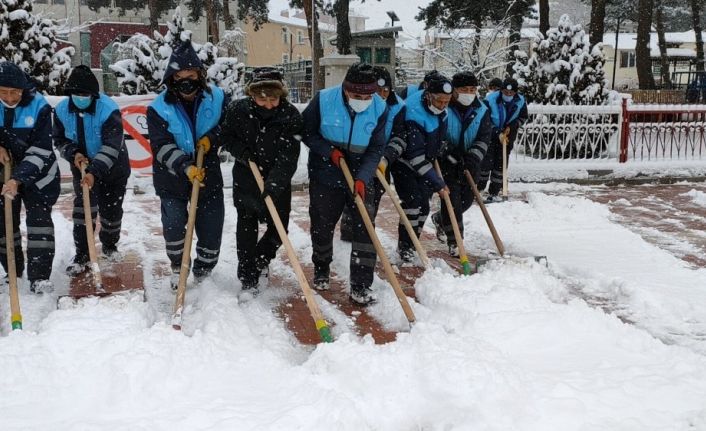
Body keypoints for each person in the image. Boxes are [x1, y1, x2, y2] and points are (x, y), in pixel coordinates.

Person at [302, 63, 388, 305]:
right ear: (345, 89)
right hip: (326, 170)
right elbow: (306, 132)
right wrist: (329, 151)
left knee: (365, 227)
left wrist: (363, 176)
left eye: (367, 96)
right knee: (322, 224)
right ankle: (321, 266)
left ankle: (360, 285)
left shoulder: (379, 108)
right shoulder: (324, 100)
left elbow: (376, 147)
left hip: (361, 170)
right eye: (356, 95)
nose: (362, 100)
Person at [147, 41, 228, 289]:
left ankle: (204, 271)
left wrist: (211, 139)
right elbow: (160, 146)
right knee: (174, 226)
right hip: (171, 175)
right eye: (179, 77)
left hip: (208, 172)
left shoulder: (217, 98)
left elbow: (228, 126)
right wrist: (185, 166)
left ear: (200, 76)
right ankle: (178, 266)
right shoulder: (158, 108)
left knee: (211, 226)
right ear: (171, 79)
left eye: (191, 76)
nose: (186, 82)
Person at [221, 67, 303, 295]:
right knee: (246, 225)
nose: (268, 105)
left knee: (279, 228)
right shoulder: (238, 111)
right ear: (251, 95)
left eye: (274, 99)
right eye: (261, 99)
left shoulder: (290, 115)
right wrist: (243, 153)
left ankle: (260, 259)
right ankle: (247, 275)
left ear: (281, 96)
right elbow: (226, 137)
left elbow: (289, 154)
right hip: (247, 176)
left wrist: (275, 183)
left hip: (278, 178)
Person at [54, 65, 131, 275]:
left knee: (111, 212)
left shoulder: (108, 109)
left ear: (93, 95)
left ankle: (109, 244)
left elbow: (112, 145)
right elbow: (59, 139)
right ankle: (83, 254)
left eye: (85, 95)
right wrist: (73, 153)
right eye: (77, 94)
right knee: (83, 211)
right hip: (82, 166)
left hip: (113, 168)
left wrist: (94, 172)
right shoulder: (61, 111)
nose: (81, 98)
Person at [0, 61, 60, 293]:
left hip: (39, 175)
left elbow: (42, 149)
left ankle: (40, 276)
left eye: (14, 92)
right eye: (3, 92)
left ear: (23, 89)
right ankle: (12, 271)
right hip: (3, 173)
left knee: (39, 224)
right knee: (4, 224)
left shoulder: (39, 107)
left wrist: (18, 178)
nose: (10, 97)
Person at [386, 73, 452, 262]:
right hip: (405, 163)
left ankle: (413, 241)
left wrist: (440, 147)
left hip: (426, 162)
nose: (443, 105)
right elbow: (415, 156)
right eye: (439, 101)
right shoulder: (413, 112)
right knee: (412, 204)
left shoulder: (442, 111)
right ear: (428, 95)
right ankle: (405, 246)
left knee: (423, 207)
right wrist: (438, 183)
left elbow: (440, 135)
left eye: (447, 102)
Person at [340, 65, 406, 242]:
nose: (382, 95)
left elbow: (400, 136)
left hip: (381, 158)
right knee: (352, 192)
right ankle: (349, 229)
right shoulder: (361, 103)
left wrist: (386, 157)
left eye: (386, 90)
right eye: (378, 90)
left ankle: (366, 232)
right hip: (358, 155)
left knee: (375, 194)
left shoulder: (398, 107)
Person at [430, 71, 492, 256]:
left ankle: (440, 219)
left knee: (466, 200)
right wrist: (449, 152)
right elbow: (436, 134)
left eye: (472, 89)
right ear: (454, 90)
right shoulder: (444, 106)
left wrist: (473, 157)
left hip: (470, 162)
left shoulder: (482, 110)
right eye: (464, 89)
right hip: (447, 162)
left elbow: (484, 137)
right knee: (452, 200)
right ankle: (456, 241)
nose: (468, 93)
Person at [478, 77, 528, 203]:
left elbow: (523, 117)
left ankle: (494, 192)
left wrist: (512, 126)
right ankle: (478, 189)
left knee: (500, 165)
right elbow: (485, 119)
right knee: (485, 163)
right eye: (506, 92)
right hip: (490, 135)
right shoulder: (490, 99)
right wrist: (496, 132)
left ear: (515, 93)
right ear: (501, 90)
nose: (508, 95)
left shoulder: (521, 101)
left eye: (511, 93)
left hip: (508, 135)